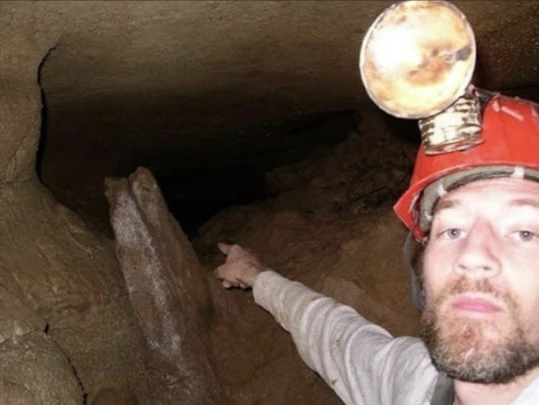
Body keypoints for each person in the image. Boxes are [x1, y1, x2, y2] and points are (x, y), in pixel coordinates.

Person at [214, 92, 539, 405]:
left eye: (525, 233)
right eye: (452, 230)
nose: (472, 255)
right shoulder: (417, 384)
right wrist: (255, 275)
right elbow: (336, 336)